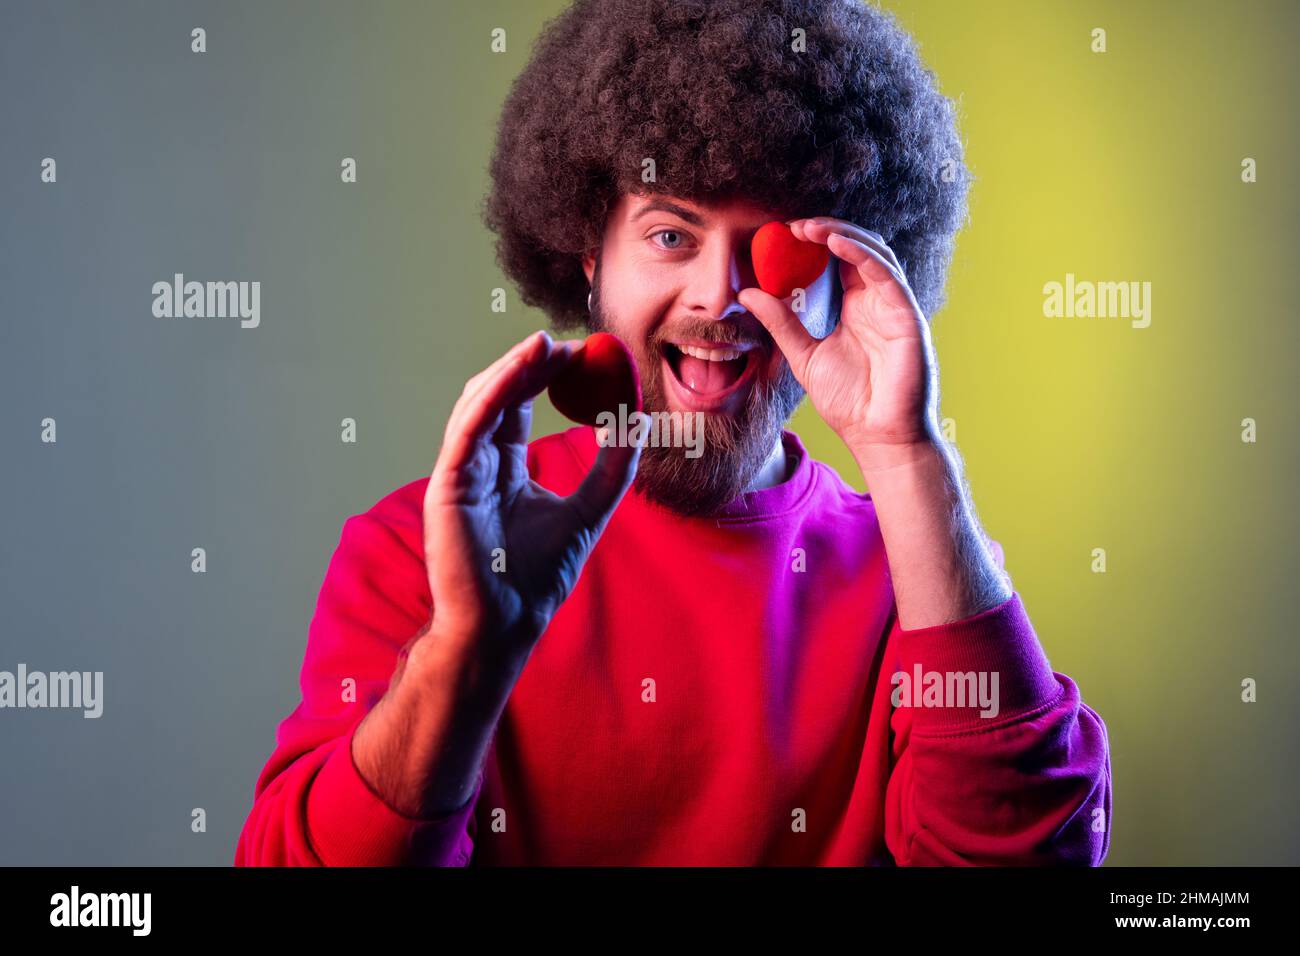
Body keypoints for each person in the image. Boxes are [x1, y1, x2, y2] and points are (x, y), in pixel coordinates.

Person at [235, 0, 1111, 866]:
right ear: (591, 260)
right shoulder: (420, 550)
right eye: (668, 234)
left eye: (772, 250)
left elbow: (1032, 856)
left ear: (848, 280)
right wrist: (463, 658)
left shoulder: (921, 579)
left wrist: (907, 454)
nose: (717, 297)